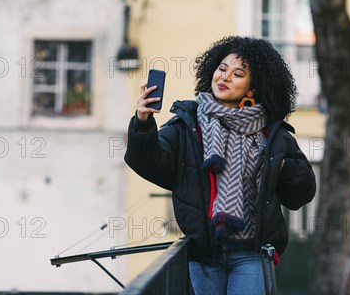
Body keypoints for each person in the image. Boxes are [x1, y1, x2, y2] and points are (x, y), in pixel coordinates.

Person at [125, 36, 317, 294]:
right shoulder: (187, 123)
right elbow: (150, 163)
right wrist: (143, 122)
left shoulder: (271, 133)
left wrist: (283, 169)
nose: (225, 77)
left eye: (238, 74)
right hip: (204, 255)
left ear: (253, 86)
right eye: (222, 69)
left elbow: (302, 194)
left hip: (251, 253)